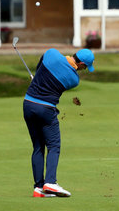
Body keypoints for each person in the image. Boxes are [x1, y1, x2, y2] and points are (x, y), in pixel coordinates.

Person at [23, 47, 95, 198]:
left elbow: (43, 59)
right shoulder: (74, 80)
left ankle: (38, 188)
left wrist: (37, 77)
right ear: (81, 63)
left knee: (37, 146)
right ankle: (50, 182)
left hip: (28, 104)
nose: (84, 69)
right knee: (54, 146)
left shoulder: (52, 53)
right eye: (85, 67)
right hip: (46, 109)